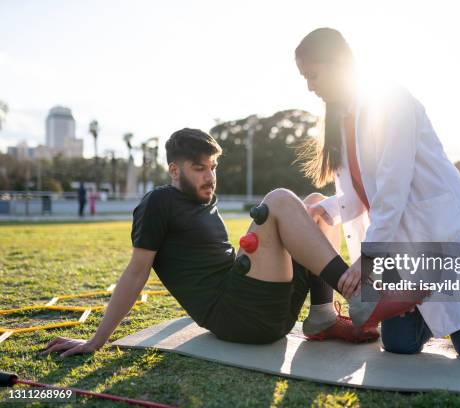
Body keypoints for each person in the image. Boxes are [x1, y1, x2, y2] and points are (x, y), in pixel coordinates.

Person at [294, 27, 460, 355]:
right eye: (304, 78)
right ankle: (420, 300)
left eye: (312, 75)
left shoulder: (389, 101)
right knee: (399, 343)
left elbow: (392, 188)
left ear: (337, 62)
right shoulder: (344, 120)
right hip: (403, 246)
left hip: (443, 232)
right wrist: (326, 209)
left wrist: (367, 260)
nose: (309, 86)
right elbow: (362, 192)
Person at [41, 128, 407, 358]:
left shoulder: (204, 199)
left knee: (314, 205)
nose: (210, 176)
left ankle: (322, 317)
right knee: (279, 198)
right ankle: (359, 291)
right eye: (199, 168)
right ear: (174, 170)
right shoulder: (158, 203)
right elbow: (136, 273)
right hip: (236, 316)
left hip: (257, 303)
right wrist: (95, 341)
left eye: (213, 167)